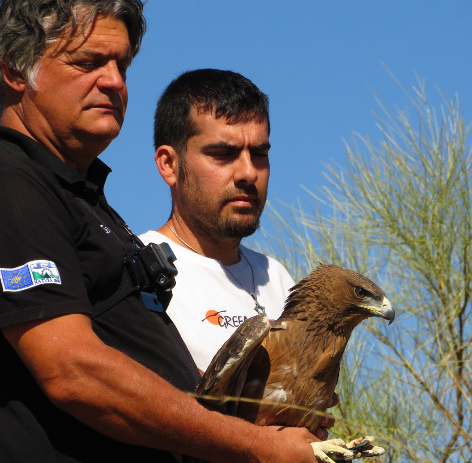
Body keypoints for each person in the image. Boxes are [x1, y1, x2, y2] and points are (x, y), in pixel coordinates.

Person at [0, 0, 319, 462]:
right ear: (14, 72)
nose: (113, 81)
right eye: (88, 62)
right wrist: (257, 447)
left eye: (122, 65)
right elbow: (74, 372)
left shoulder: (77, 198)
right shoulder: (2, 188)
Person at [139, 68, 335, 435]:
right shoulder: (135, 268)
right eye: (223, 154)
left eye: (259, 154)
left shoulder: (276, 277)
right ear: (169, 164)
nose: (248, 172)